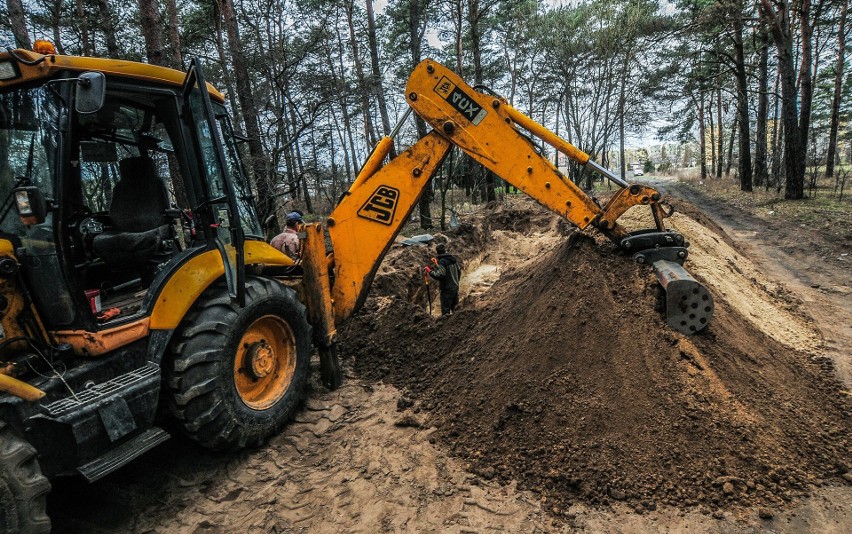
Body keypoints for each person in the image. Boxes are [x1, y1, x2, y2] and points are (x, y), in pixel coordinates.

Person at [425, 243, 462, 316]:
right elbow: (458, 271)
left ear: (437, 252)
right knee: (455, 310)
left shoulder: (442, 262)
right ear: (445, 250)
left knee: (446, 312)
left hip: (447, 290)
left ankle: (447, 326)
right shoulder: (452, 259)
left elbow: (440, 275)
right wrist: (436, 264)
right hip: (455, 287)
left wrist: (429, 271)